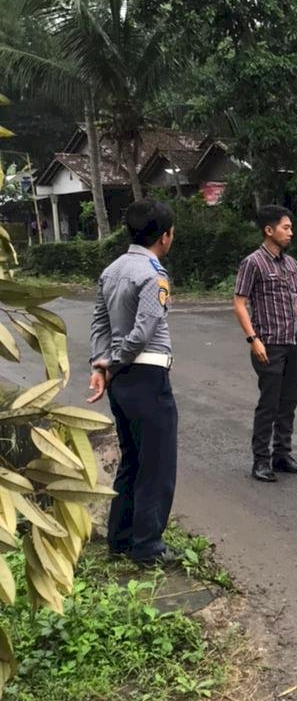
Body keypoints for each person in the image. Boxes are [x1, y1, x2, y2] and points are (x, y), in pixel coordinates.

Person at [88, 199, 180, 568]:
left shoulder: (110, 270)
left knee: (132, 460)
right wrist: (114, 361)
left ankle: (121, 538)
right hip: (146, 374)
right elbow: (143, 330)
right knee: (157, 463)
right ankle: (148, 547)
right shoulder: (154, 274)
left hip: (121, 381)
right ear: (164, 236)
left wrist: (101, 364)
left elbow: (99, 323)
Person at [233, 206, 297, 482]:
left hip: (296, 342)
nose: (291, 232)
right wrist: (253, 339)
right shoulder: (253, 263)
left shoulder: (291, 264)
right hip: (270, 344)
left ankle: (282, 455)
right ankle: (261, 460)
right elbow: (239, 302)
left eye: (290, 227)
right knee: (269, 403)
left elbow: (296, 299)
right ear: (269, 230)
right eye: (285, 227)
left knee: (288, 402)